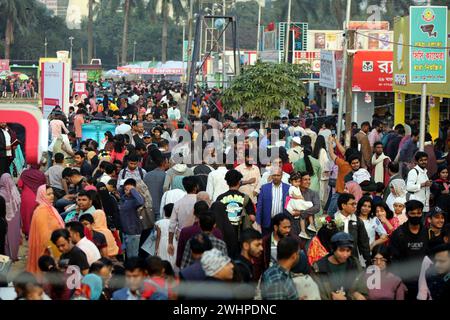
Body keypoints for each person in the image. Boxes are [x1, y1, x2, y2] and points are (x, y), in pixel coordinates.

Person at [389, 200, 429, 300]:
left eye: (419, 213)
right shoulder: (398, 234)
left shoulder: (427, 232)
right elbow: (394, 260)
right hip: (405, 281)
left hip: (425, 279)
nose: (416, 216)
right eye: (413, 213)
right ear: (407, 214)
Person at [312, 232, 368, 300]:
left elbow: (363, 286)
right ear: (333, 249)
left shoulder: (355, 264)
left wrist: (356, 294)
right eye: (341, 250)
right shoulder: (319, 269)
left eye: (348, 251)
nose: (345, 254)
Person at [216, 169, 256, 237]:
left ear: (227, 183)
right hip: (241, 234)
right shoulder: (246, 198)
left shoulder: (220, 198)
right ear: (239, 182)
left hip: (225, 234)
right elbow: (252, 218)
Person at [334, 193, 371, 266]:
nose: (355, 207)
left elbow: (364, 243)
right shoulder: (331, 221)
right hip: (335, 260)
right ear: (343, 205)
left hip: (352, 260)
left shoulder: (357, 221)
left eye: (355, 204)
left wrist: (368, 262)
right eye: (352, 204)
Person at [168, 176, 200, 258]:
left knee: (183, 258)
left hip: (182, 236)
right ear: (196, 187)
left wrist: (170, 243)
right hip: (199, 235)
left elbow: (172, 225)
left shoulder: (178, 203)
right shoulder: (201, 202)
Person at [256, 167, 290, 236]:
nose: (276, 177)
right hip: (267, 222)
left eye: (278, 175)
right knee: (267, 243)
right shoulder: (264, 188)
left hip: (282, 223)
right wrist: (258, 223)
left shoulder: (288, 188)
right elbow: (259, 206)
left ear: (282, 176)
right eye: (274, 175)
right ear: (271, 175)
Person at [17, 164, 46, 238]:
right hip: (38, 197)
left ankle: (27, 233)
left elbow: (19, 185)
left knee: (26, 216)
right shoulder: (41, 174)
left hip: (26, 196)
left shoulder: (25, 173)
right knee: (37, 216)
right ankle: (36, 233)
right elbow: (44, 186)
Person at [234, 229, 264, 296]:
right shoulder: (240, 268)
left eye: (261, 245)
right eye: (257, 245)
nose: (261, 248)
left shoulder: (247, 264)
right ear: (246, 246)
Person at [119, 178, 144, 258]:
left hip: (133, 232)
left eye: (129, 189)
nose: (127, 191)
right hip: (124, 232)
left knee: (132, 256)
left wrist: (133, 190)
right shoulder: (123, 199)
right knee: (126, 255)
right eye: (126, 189)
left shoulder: (135, 200)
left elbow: (141, 202)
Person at [0, 173, 21, 261]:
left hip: (5, 219)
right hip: (15, 220)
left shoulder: (1, 193)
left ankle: (6, 256)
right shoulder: (14, 191)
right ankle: (14, 255)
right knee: (13, 237)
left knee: (5, 239)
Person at [144, 156, 168, 220]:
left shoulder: (147, 175)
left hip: (149, 208)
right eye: (167, 162)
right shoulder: (166, 176)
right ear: (164, 163)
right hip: (161, 208)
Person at [155, 203, 176, 267]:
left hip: (162, 243)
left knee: (162, 260)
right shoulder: (176, 222)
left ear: (165, 212)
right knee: (173, 260)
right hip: (173, 242)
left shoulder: (159, 223)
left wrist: (156, 248)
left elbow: (158, 237)